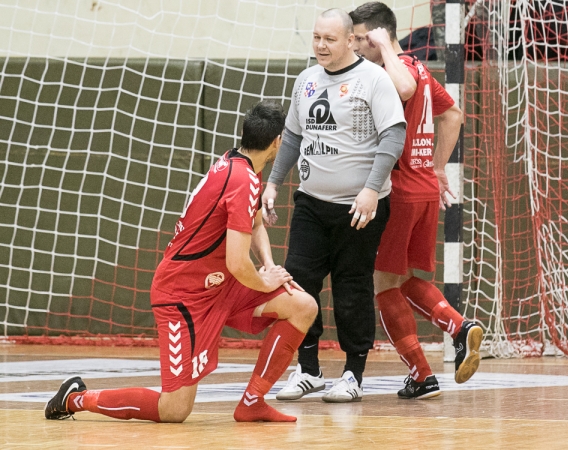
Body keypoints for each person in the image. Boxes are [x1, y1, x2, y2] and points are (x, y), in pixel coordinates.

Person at [44, 101, 318, 423]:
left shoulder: (241, 165)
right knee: (174, 410)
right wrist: (265, 281)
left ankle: (252, 401)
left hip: (222, 286)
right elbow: (238, 263)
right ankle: (75, 399)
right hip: (183, 297)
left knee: (302, 306)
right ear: (276, 141)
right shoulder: (241, 180)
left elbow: (255, 222)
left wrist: (270, 266)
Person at [262, 9, 406, 403]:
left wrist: (371, 189)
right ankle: (308, 370)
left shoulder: (374, 80)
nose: (321, 46)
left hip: (358, 208)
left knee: (351, 288)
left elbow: (394, 137)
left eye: (329, 39)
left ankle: (353, 374)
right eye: (316, 38)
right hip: (311, 202)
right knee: (298, 282)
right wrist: (273, 183)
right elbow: (292, 137)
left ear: (349, 40)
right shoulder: (305, 81)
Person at [349, 2, 483, 400]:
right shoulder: (421, 68)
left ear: (377, 36)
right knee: (409, 281)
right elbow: (454, 115)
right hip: (425, 187)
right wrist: (439, 167)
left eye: (360, 39)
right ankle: (458, 328)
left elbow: (405, 89)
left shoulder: (396, 70)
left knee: (384, 285)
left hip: (401, 190)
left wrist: (383, 49)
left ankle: (423, 373)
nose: (355, 47)